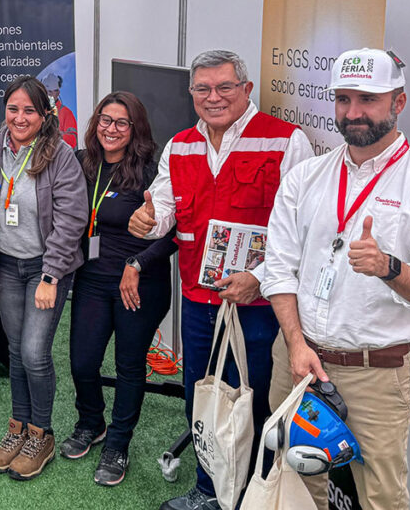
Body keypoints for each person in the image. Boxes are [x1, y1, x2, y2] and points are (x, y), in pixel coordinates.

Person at [264, 48, 410, 510]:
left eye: (368, 99)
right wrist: (296, 345)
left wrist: (389, 267)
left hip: (375, 375)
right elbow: (278, 268)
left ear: (398, 102)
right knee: (293, 486)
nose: (353, 113)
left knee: (381, 498)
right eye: (343, 99)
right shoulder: (307, 176)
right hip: (298, 360)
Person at [127, 50, 313, 510]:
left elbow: (304, 232)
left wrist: (259, 278)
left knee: (256, 403)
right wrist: (147, 222)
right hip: (198, 300)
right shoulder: (180, 146)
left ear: (246, 89)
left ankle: (250, 496)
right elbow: (165, 212)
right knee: (202, 398)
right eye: (203, 89)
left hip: (262, 307)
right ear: (191, 93)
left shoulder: (286, 141)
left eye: (225, 87)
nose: (214, 97)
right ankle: (209, 490)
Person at [0, 75, 88, 481]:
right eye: (13, 109)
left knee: (35, 353)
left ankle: (41, 435)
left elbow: (71, 220)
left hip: (45, 268)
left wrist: (51, 276)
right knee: (16, 351)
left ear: (44, 114)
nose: (20, 118)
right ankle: (17, 429)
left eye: (29, 111)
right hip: (6, 266)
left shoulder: (61, 155)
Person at [62, 92, 177, 486]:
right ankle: (91, 422)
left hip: (139, 282)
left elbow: (176, 232)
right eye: (105, 120)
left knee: (129, 366)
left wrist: (138, 262)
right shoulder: (83, 163)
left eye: (121, 123)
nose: (111, 129)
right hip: (92, 278)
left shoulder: (151, 172)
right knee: (82, 362)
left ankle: (118, 443)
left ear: (135, 128)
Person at [42, 73, 78, 147]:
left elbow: (73, 140)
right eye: (49, 91)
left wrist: (55, 136)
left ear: (58, 92)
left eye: (54, 91)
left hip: (59, 152)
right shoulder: (36, 111)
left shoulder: (67, 113)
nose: (51, 94)